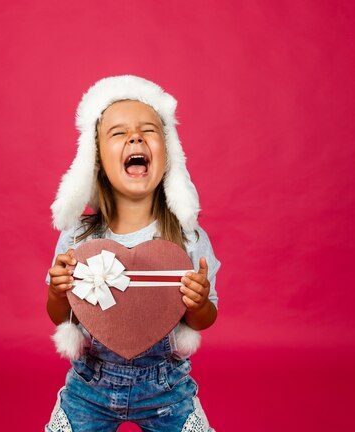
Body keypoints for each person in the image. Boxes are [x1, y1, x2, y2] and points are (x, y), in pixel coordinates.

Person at [45, 75, 220, 432]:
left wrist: (199, 303)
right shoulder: (77, 236)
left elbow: (204, 320)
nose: (135, 138)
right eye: (118, 132)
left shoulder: (187, 239)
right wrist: (57, 290)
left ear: (168, 153)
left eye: (148, 130)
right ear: (96, 159)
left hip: (166, 387)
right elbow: (57, 316)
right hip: (90, 386)